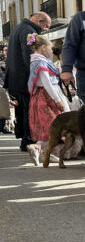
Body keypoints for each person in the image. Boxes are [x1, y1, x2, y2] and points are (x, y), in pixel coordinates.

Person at [6, 12, 51, 151]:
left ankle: (25, 139)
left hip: (15, 79)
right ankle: (28, 140)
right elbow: (29, 57)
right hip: (23, 80)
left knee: (23, 110)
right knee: (28, 111)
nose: (46, 29)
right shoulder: (29, 32)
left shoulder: (18, 28)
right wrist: (36, 77)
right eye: (46, 26)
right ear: (39, 21)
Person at [25, 34, 70, 166]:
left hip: (41, 96)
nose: (52, 51)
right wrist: (58, 100)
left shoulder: (36, 60)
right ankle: (37, 148)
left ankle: (46, 153)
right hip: (47, 97)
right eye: (50, 48)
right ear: (43, 47)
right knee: (55, 126)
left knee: (46, 126)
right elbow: (47, 83)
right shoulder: (41, 62)